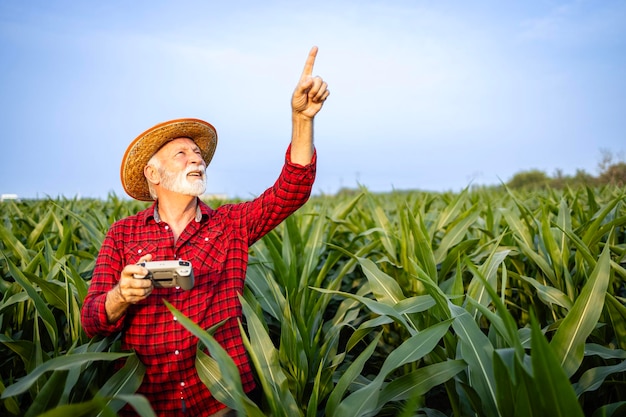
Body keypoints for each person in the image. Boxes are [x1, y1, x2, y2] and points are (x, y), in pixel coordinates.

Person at [80, 46, 329, 417]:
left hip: (222, 401)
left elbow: (291, 190)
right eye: (181, 154)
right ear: (153, 173)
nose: (196, 158)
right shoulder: (122, 235)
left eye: (198, 153)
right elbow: (91, 321)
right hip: (147, 404)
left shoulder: (230, 226)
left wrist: (301, 119)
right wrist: (121, 294)